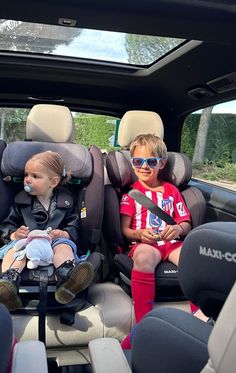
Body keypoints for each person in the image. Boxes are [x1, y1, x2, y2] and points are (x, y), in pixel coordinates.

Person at [120, 134, 193, 349]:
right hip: (145, 243)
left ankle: (201, 314)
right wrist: (140, 234)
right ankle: (143, 323)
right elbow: (125, 230)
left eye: (151, 161)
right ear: (132, 163)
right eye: (138, 161)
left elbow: (186, 222)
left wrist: (179, 228)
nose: (144, 166)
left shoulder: (172, 191)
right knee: (144, 257)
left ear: (161, 163)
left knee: (191, 259)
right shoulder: (130, 195)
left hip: (171, 242)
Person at [0, 150, 94, 311]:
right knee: (15, 251)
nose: (27, 179)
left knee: (64, 246)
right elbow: (7, 224)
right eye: (26, 175)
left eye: (35, 176)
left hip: (53, 242)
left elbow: (73, 225)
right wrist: (14, 234)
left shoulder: (66, 202)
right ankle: (8, 282)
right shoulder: (20, 201)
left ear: (53, 181)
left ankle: (67, 278)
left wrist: (64, 233)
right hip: (26, 242)